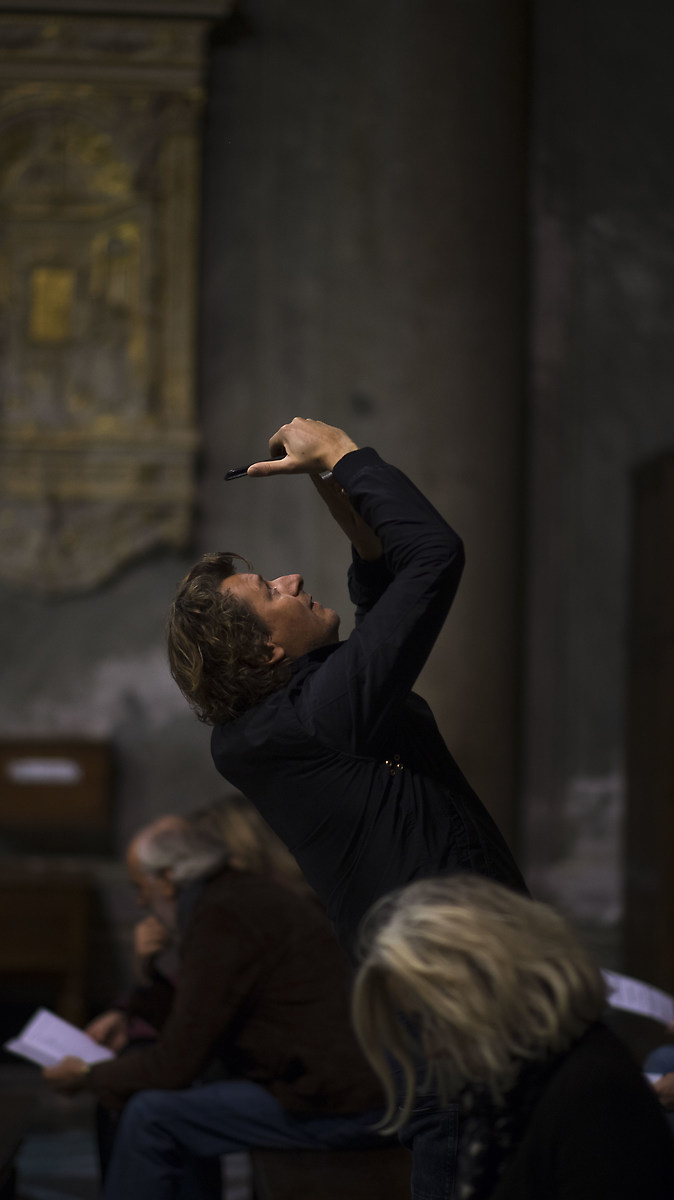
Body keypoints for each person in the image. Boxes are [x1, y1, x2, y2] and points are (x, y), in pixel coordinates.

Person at [166, 416, 528, 1196]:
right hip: (447, 985)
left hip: (448, 973)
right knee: (463, 1165)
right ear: (265, 651)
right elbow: (433, 556)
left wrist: (327, 481)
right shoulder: (317, 717)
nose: (294, 579)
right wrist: (343, 453)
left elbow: (381, 581)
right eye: (272, 591)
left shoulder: (287, 715)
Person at [43, 816, 385, 1200]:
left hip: (337, 1105)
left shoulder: (223, 916)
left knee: (150, 1115)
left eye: (140, 887)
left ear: (167, 880)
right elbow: (198, 1026)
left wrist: (87, 1074)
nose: (140, 902)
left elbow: (175, 1064)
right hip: (334, 1089)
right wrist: (146, 976)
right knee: (163, 1100)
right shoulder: (234, 897)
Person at [352, 873, 674, 1199]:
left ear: (494, 989)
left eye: (437, 1021)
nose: (432, 1048)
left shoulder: (591, 1095)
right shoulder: (509, 1084)